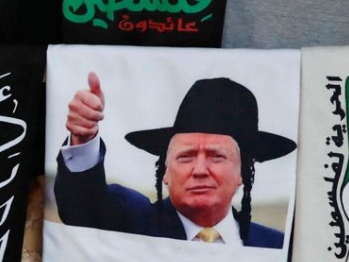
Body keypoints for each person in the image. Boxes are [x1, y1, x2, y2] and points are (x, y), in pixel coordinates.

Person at [55, 72, 297, 248]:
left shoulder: (273, 245)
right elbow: (83, 205)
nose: (200, 170)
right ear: (166, 172)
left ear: (242, 172)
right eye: (186, 156)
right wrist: (83, 137)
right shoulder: (130, 222)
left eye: (217, 156)